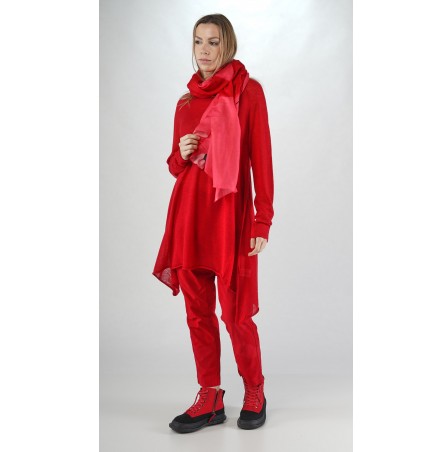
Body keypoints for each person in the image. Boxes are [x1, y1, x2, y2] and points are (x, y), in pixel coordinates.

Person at [152, 13, 274, 433]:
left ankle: (254, 389)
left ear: (228, 45)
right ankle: (211, 396)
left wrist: (262, 220)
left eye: (213, 42)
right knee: (197, 313)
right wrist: (182, 152)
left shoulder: (247, 92)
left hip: (230, 218)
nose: (204, 51)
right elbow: (175, 167)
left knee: (236, 314)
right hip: (189, 217)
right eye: (198, 42)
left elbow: (261, 159)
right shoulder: (185, 102)